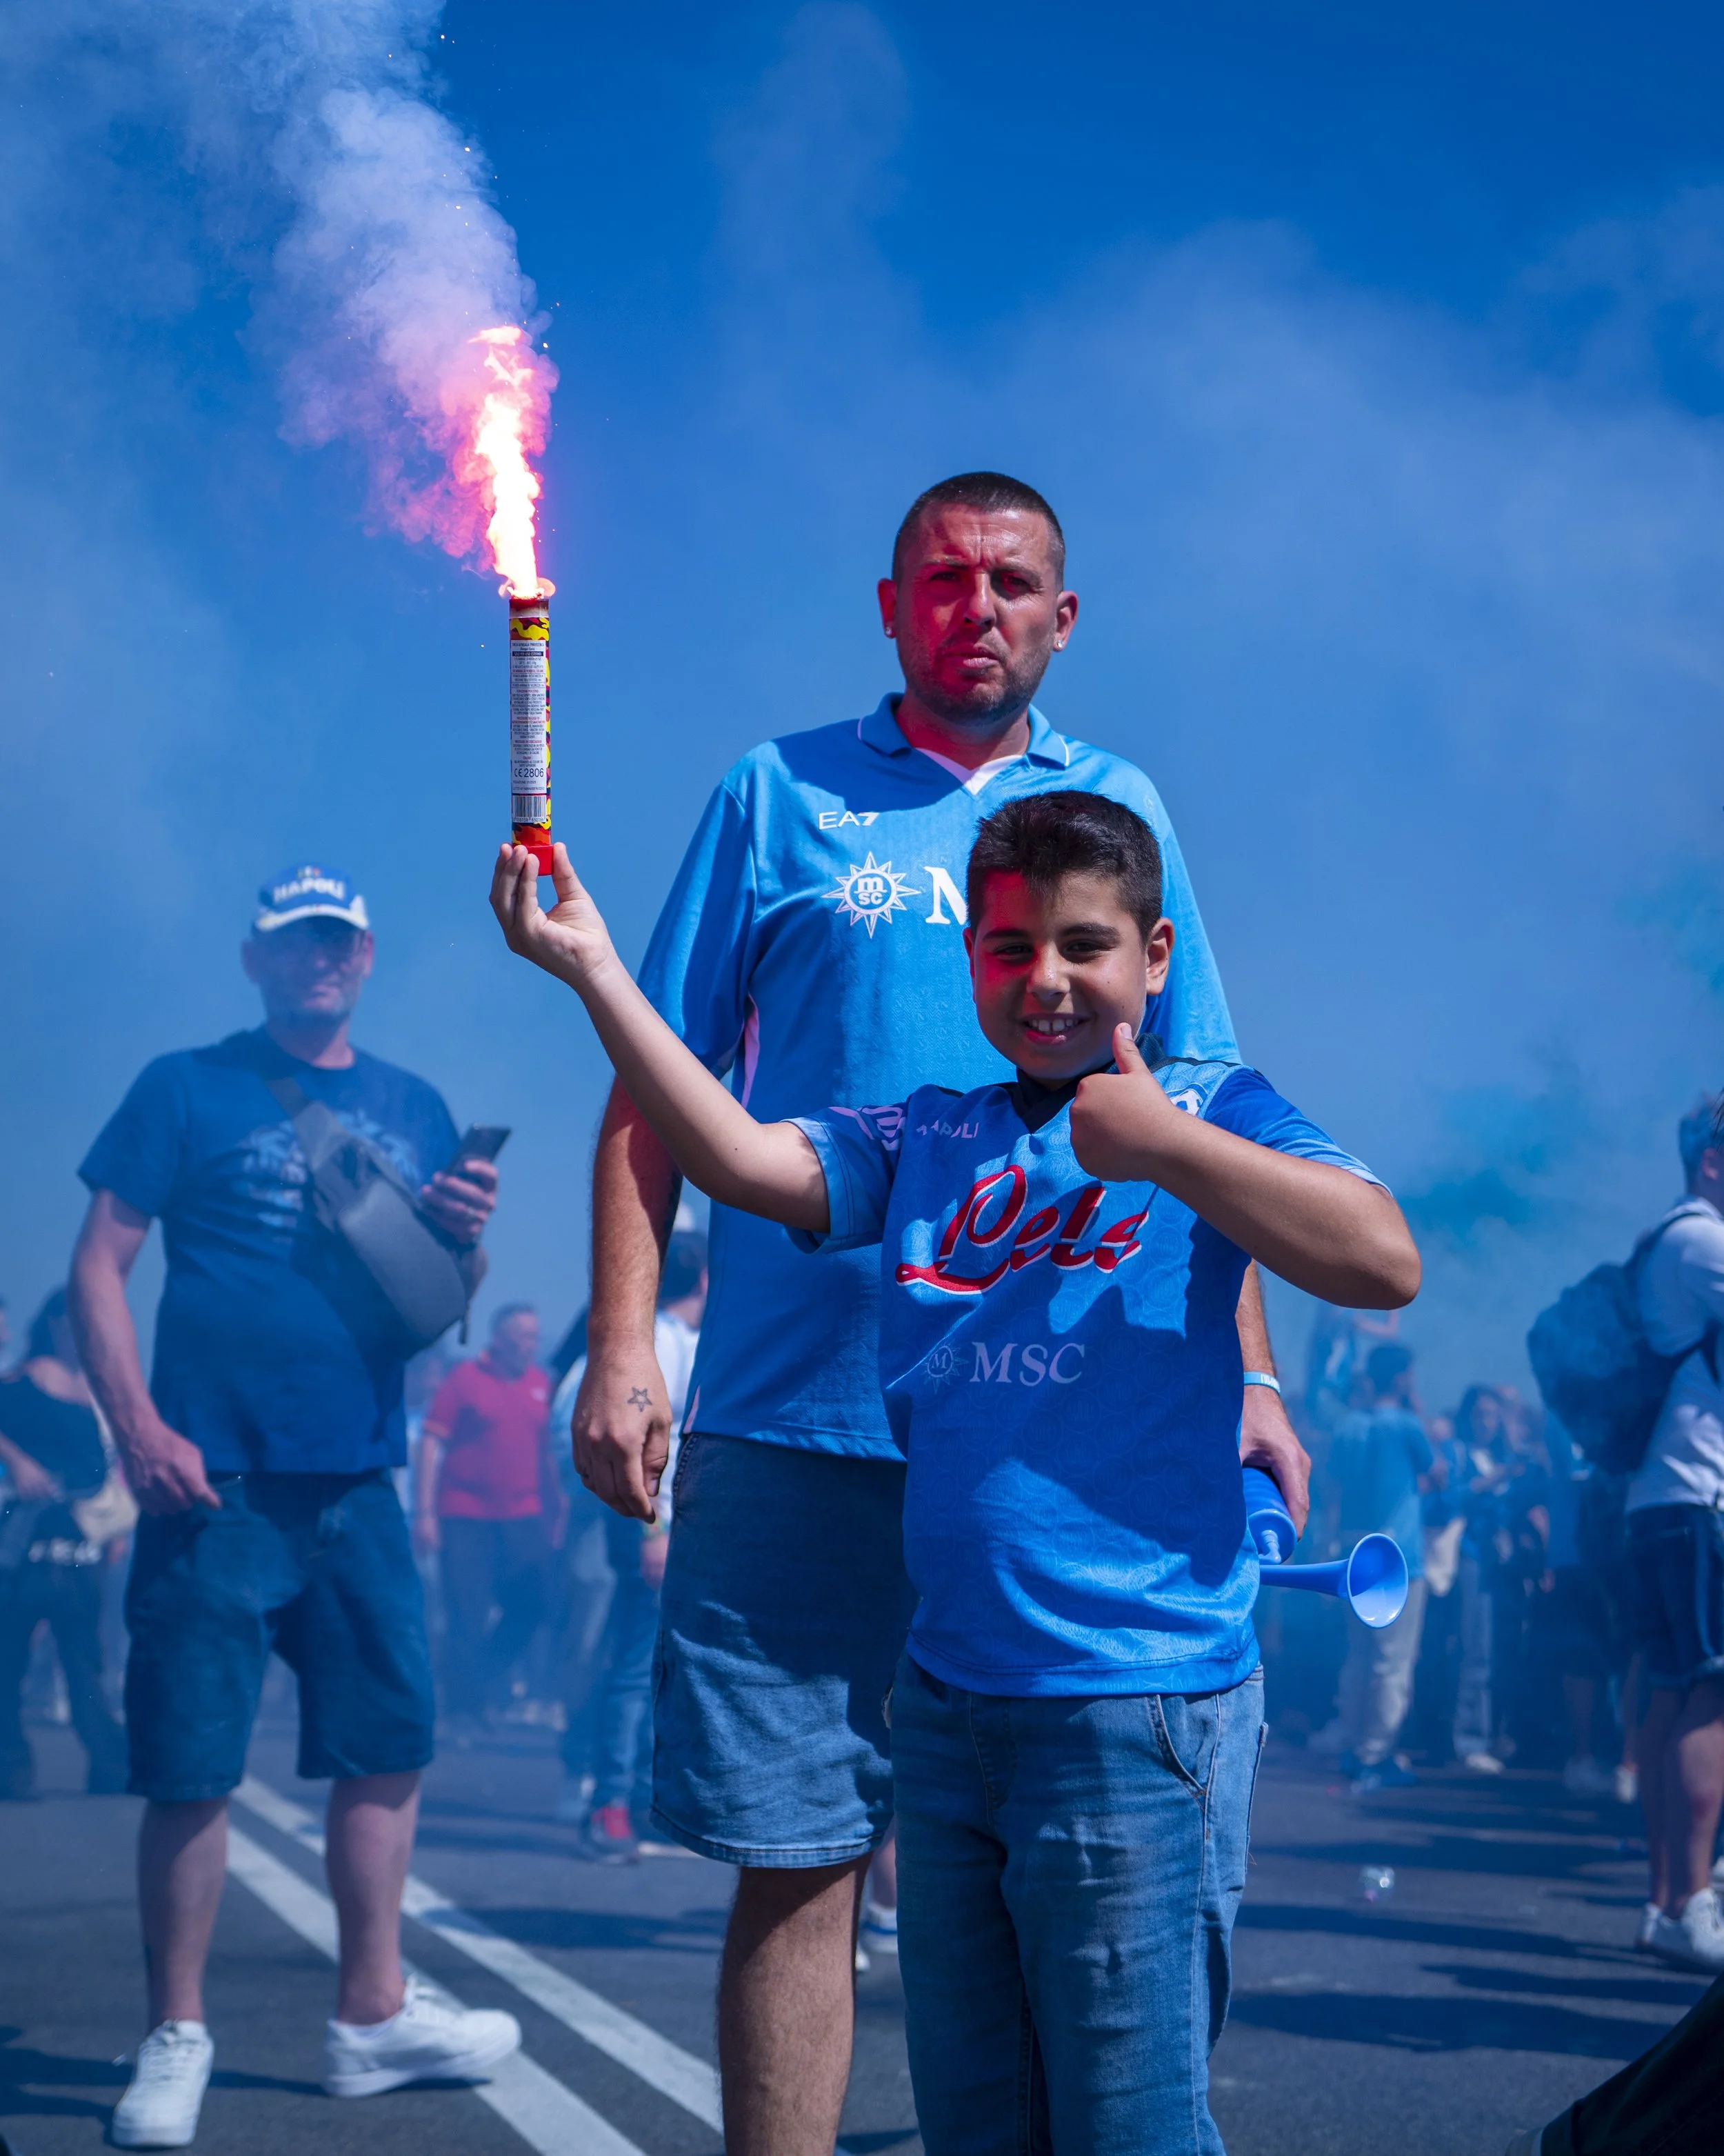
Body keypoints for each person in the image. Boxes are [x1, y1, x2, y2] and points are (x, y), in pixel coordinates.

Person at [490, 788, 1419, 2154]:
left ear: (1155, 957)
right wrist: (594, 974)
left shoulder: (1213, 1109)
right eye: (1006, 948)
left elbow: (1379, 1256)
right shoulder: (928, 1135)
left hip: (1133, 1706)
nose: (1043, 980)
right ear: (970, 961)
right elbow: (741, 1157)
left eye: (1082, 945)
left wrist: (1163, 1143)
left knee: (1131, 2122)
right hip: (945, 1712)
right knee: (977, 2121)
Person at [561, 471, 1312, 2153]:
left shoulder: (1119, 803)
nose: (978, 605)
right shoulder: (776, 794)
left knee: (1080, 1864)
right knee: (798, 1852)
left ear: (1063, 614)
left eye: (1014, 580)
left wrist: (1251, 1370)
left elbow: (1201, 1112)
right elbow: (651, 1090)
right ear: (892, 605)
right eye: (945, 578)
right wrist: (621, 1344)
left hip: (1056, 1433)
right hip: (794, 1412)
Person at [68, 863, 521, 2150]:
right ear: (255, 959)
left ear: (365, 957)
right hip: (210, 1479)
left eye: (337, 942)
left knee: (388, 1746)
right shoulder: (183, 1085)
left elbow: (444, 1293)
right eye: (292, 943)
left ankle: (371, 2016)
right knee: (192, 1768)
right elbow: (100, 1261)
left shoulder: (413, 1101)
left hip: (360, 1476)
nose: (318, 960)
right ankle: (177, 2032)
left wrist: (468, 1230)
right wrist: (137, 1426)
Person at [550, 1230, 707, 1855]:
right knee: (634, 1664)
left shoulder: (658, 1341)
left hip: (637, 1519)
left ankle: (626, 1799)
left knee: (641, 1662)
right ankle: (609, 1805)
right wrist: (655, 1529)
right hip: (647, 1521)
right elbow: (645, 1446)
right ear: (702, 1281)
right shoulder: (659, 1345)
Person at [1625, 1093, 1724, 1973]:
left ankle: (1664, 1901)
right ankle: (1693, 1902)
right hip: (1701, 1497)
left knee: (1671, 1692)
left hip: (1663, 1499)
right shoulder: (1704, 1241)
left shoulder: (1671, 1239)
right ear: (1710, 1161)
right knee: (1711, 1692)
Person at [0, 1288, 128, 1799]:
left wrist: (112, 1524)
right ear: (55, 1324)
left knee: (85, 1661)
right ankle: (11, 1768)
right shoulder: (19, 1382)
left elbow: (106, 1466)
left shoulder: (92, 1392)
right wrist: (17, 1459)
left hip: (79, 1545)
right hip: (21, 1543)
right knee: (9, 1661)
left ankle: (109, 1766)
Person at [413, 1304, 554, 1736]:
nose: (527, 1345)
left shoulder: (542, 1385)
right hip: (465, 1515)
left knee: (534, 1603)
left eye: (533, 1337)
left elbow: (553, 1454)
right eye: (520, 1337)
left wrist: (557, 1514)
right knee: (465, 1613)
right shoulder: (465, 1380)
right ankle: (463, 1710)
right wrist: (424, 1513)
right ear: (500, 1337)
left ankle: (486, 1681)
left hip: (524, 1516)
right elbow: (431, 1443)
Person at [1326, 1341, 1436, 1788]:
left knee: (1360, 1655)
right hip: (1398, 1558)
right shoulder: (1407, 1425)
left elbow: (1333, 1490)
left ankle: (1354, 1744)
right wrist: (1418, 1407)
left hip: (1356, 1552)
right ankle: (1375, 1755)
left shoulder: (1348, 1425)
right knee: (1392, 1662)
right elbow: (1439, 1472)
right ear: (1403, 1377)